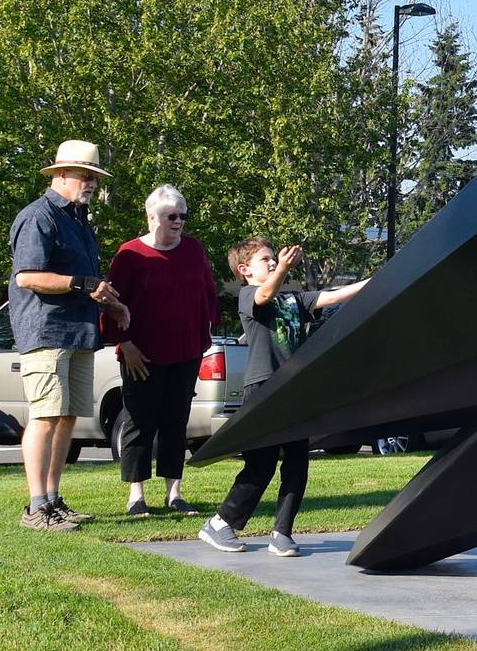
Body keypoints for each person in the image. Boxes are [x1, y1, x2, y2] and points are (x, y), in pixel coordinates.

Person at [200, 240, 366, 556]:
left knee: (297, 463)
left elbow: (332, 296)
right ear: (245, 270)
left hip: (292, 390)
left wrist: (379, 280)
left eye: (275, 259)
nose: (274, 262)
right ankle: (221, 523)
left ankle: (282, 533)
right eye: (266, 260)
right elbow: (264, 295)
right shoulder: (249, 296)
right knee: (261, 464)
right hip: (263, 389)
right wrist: (286, 268)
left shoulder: (292, 299)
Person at [9, 140, 130, 531]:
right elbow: (27, 276)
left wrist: (109, 301)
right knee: (45, 417)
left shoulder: (79, 221)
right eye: (84, 175)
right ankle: (35, 507)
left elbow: (85, 284)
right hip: (46, 332)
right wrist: (80, 283)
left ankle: (53, 500)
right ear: (60, 174)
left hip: (77, 333)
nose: (91, 183)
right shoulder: (39, 217)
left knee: (66, 419)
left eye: (94, 176)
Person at [104, 184, 219, 516]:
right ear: (151, 216)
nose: (179, 221)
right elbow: (112, 304)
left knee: (175, 422)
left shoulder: (194, 250)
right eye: (172, 216)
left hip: (185, 353)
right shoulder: (129, 254)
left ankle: (174, 493)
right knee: (140, 421)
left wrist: (201, 342)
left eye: (183, 215)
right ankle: (136, 496)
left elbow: (208, 297)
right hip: (141, 355)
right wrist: (125, 346)